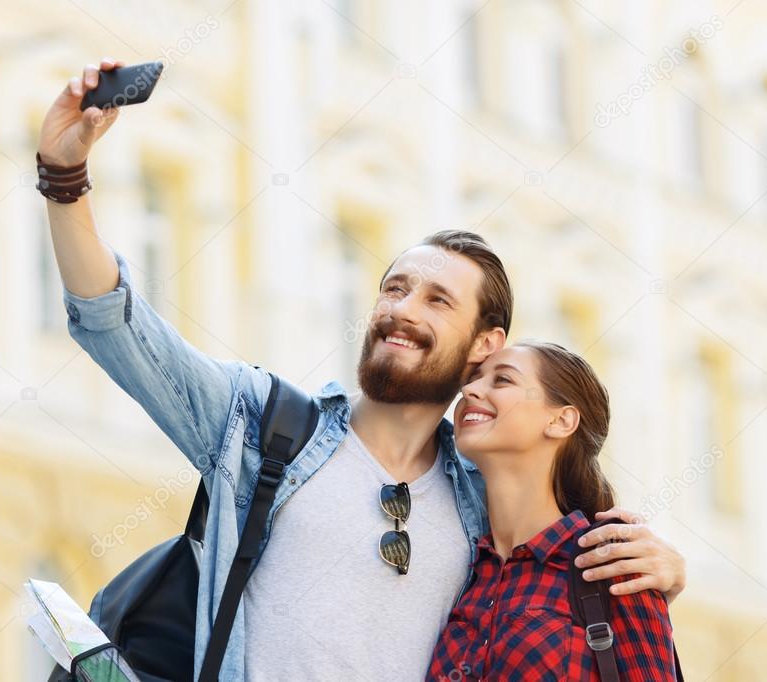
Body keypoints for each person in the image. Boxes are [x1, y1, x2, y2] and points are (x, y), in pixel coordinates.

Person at [36, 58, 687, 680]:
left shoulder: (484, 498)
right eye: (394, 288)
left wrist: (666, 568)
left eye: (436, 300)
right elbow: (115, 325)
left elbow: (565, 568)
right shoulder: (261, 424)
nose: (402, 309)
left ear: (483, 345)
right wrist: (64, 177)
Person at [428, 341, 678, 681]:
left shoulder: (609, 563)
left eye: (502, 380)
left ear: (561, 420)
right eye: (472, 378)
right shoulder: (462, 571)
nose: (469, 389)